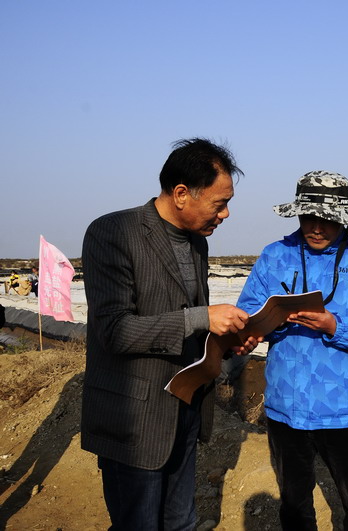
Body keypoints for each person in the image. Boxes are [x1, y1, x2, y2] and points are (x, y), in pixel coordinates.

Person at [81, 138, 261, 531]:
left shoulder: (197, 242)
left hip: (185, 409)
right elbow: (114, 331)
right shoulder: (112, 232)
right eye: (219, 203)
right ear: (181, 194)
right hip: (135, 419)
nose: (226, 214)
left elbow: (193, 327)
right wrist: (202, 317)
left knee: (181, 523)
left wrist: (228, 343)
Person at [237, 171, 348, 531]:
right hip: (285, 409)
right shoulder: (274, 256)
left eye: (327, 219)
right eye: (309, 217)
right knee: (294, 507)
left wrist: (334, 326)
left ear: (344, 219)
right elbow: (246, 316)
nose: (317, 227)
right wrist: (264, 325)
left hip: (344, 411)